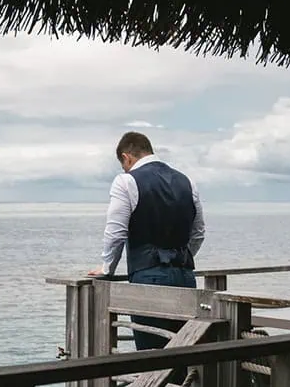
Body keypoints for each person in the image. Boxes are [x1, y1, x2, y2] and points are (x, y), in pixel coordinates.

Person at [88, 131, 206, 350]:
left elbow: (116, 233)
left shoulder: (126, 181)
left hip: (148, 277)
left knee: (150, 354)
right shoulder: (187, 181)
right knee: (183, 350)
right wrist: (180, 256)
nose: (125, 169)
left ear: (127, 157)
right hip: (185, 277)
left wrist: (107, 267)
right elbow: (198, 232)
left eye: (124, 165)